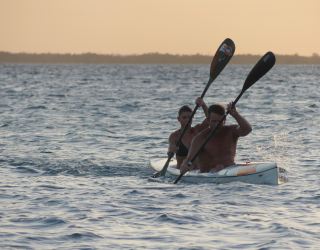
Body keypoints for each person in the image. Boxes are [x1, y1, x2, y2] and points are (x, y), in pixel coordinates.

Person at [180, 102, 252, 173]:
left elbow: (247, 130)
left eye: (219, 121)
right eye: (214, 121)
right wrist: (184, 166)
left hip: (230, 170)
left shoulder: (231, 131)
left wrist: (235, 114)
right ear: (208, 120)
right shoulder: (200, 138)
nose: (217, 124)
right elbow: (188, 159)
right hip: (208, 176)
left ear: (224, 120)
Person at [168, 98, 209, 169]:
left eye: (190, 117)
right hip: (181, 171)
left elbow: (210, 119)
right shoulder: (174, 136)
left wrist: (203, 105)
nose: (187, 120)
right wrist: (171, 151)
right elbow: (170, 148)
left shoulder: (198, 130)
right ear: (179, 119)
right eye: (184, 117)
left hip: (198, 170)